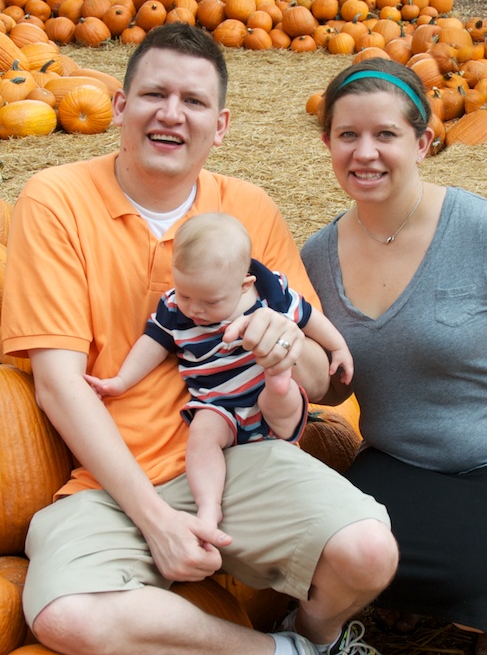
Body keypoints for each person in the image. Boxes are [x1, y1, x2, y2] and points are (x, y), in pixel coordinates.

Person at [1, 22, 396, 655]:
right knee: (67, 617)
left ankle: (314, 634)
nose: (171, 115)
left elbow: (321, 382)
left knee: (368, 550)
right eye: (155, 95)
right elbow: (58, 384)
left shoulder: (249, 210)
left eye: (194, 102)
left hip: (241, 456)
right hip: (111, 479)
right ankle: (281, 654)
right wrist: (155, 520)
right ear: (120, 106)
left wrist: (285, 350)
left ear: (221, 125)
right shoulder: (57, 200)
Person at [301, 56, 487, 655]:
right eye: (348, 135)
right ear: (328, 142)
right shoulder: (316, 259)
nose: (365, 152)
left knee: (480, 573)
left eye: (385, 134)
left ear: (423, 141)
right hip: (397, 464)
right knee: (330, 551)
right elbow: (333, 387)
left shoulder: (481, 229)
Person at [84, 212, 353, 528]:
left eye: (210, 301)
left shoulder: (270, 293)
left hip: (263, 394)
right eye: (185, 294)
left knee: (282, 393)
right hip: (217, 404)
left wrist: (338, 347)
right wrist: (119, 382)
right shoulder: (173, 308)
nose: (195, 309)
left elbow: (307, 317)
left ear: (244, 285)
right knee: (201, 436)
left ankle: (279, 386)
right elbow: (151, 344)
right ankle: (208, 507)